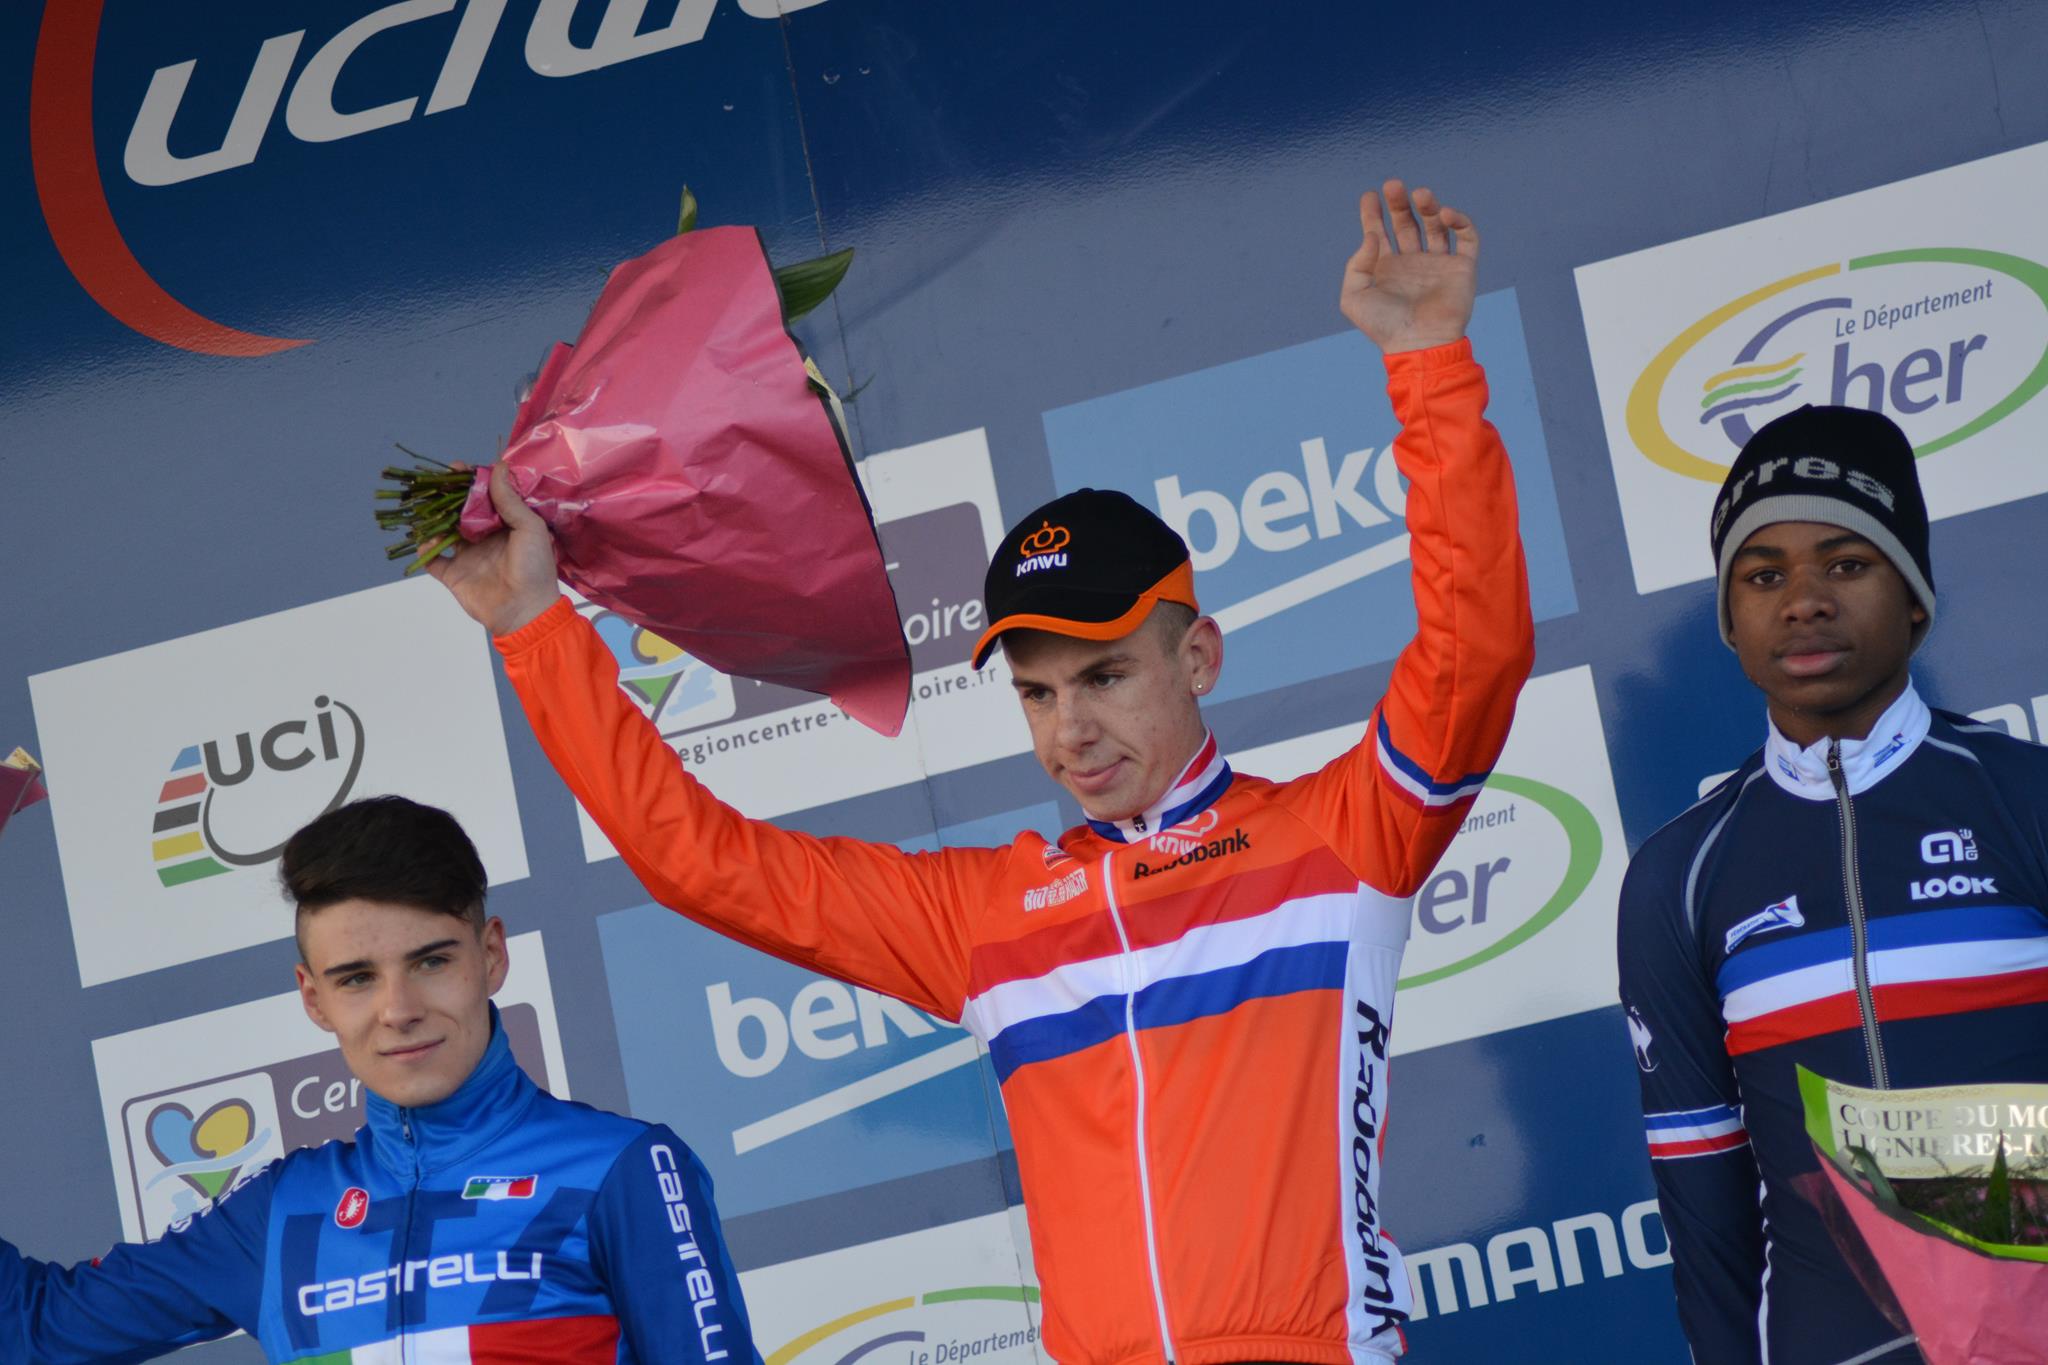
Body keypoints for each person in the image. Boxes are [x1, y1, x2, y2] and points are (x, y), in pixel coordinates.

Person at [431, 179, 1533, 1364]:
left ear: (1198, 656)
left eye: (1104, 676)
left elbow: (1473, 654)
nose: (1071, 731)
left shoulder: (1341, 837)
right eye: (1036, 693)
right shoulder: (985, 917)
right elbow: (697, 861)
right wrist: (532, 627)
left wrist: (1426, 363)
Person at [0, 796, 757, 1364]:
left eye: (431, 961)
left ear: (491, 956)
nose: (399, 1010)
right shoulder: (281, 1210)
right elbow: (32, 1332)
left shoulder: (620, 1170)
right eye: (357, 978)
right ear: (313, 998)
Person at [1616, 405, 2048, 1364]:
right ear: (1731, 619)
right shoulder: (1680, 875)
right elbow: (1703, 1205)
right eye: (1764, 575)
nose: (1804, 601)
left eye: (1846, 564)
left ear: (1915, 598)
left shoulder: (2026, 799)